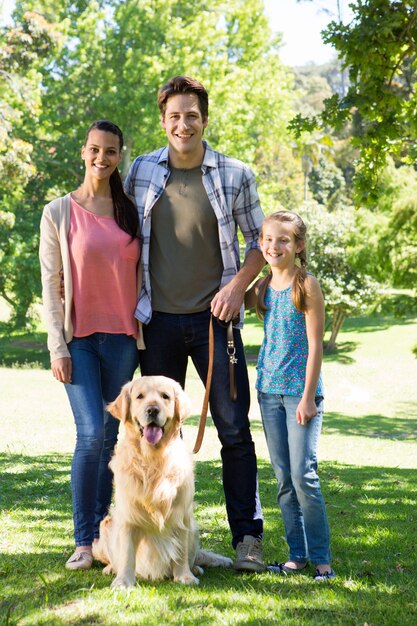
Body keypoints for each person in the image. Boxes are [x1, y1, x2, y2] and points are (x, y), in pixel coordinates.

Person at [125, 75, 265, 572]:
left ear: (204, 119)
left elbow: (258, 243)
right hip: (157, 321)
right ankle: (159, 537)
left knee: (232, 428)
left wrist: (235, 289)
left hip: (215, 323)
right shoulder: (141, 171)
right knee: (154, 433)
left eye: (192, 115)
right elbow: (119, 237)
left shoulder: (234, 174)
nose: (183, 124)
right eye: (174, 116)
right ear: (163, 121)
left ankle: (247, 539)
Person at [39, 120, 142, 570]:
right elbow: (51, 283)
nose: (102, 158)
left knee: (113, 437)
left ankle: (108, 534)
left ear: (120, 156)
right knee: (90, 434)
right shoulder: (58, 212)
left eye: (112, 151)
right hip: (78, 339)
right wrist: (56, 346)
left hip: (122, 338)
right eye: (95, 150)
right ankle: (84, 540)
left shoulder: (131, 211)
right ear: (84, 152)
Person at [248, 210, 335, 580]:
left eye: (282, 240)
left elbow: (316, 346)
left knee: (304, 477)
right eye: (267, 239)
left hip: (300, 395)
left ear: (298, 246)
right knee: (283, 480)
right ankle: (296, 557)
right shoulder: (262, 287)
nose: (273, 246)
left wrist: (308, 398)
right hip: (268, 391)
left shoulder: (307, 285)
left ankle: (322, 560)